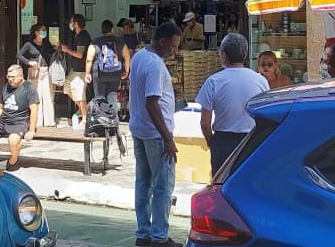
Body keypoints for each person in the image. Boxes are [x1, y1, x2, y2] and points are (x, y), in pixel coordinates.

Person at [129, 21, 183, 247]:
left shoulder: (140, 56)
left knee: (143, 182)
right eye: (173, 46)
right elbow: (152, 103)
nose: (175, 50)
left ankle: (143, 233)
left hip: (139, 129)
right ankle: (159, 237)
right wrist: (168, 138)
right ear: (162, 41)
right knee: (162, 185)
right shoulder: (154, 65)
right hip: (155, 135)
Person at [195, 33, 268, 174]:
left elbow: (205, 123)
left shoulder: (214, 81)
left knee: (222, 187)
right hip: (252, 141)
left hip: (224, 142)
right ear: (245, 54)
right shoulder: (260, 81)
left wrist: (213, 143)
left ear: (224, 55)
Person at [17, 23, 56, 127]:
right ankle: (37, 121)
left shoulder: (46, 43)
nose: (44, 32)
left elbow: (52, 52)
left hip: (45, 70)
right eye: (42, 30)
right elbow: (19, 55)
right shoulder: (29, 44)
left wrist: (58, 46)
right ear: (36, 32)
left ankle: (49, 121)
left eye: (45, 30)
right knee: (36, 96)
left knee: (48, 96)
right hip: (34, 72)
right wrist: (29, 62)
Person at [85, 19, 131, 106]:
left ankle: (102, 117)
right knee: (112, 94)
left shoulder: (95, 42)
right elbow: (127, 56)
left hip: (99, 74)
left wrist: (87, 73)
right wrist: (126, 71)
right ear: (112, 29)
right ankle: (113, 117)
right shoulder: (119, 41)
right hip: (115, 74)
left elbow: (89, 59)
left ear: (102, 30)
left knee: (100, 96)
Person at [59, 14, 91, 124]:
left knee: (79, 93)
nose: (70, 24)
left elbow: (80, 55)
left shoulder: (82, 36)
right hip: (75, 68)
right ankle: (83, 110)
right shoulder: (77, 36)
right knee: (67, 87)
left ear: (76, 24)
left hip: (81, 70)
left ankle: (85, 118)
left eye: (72, 22)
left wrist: (67, 50)